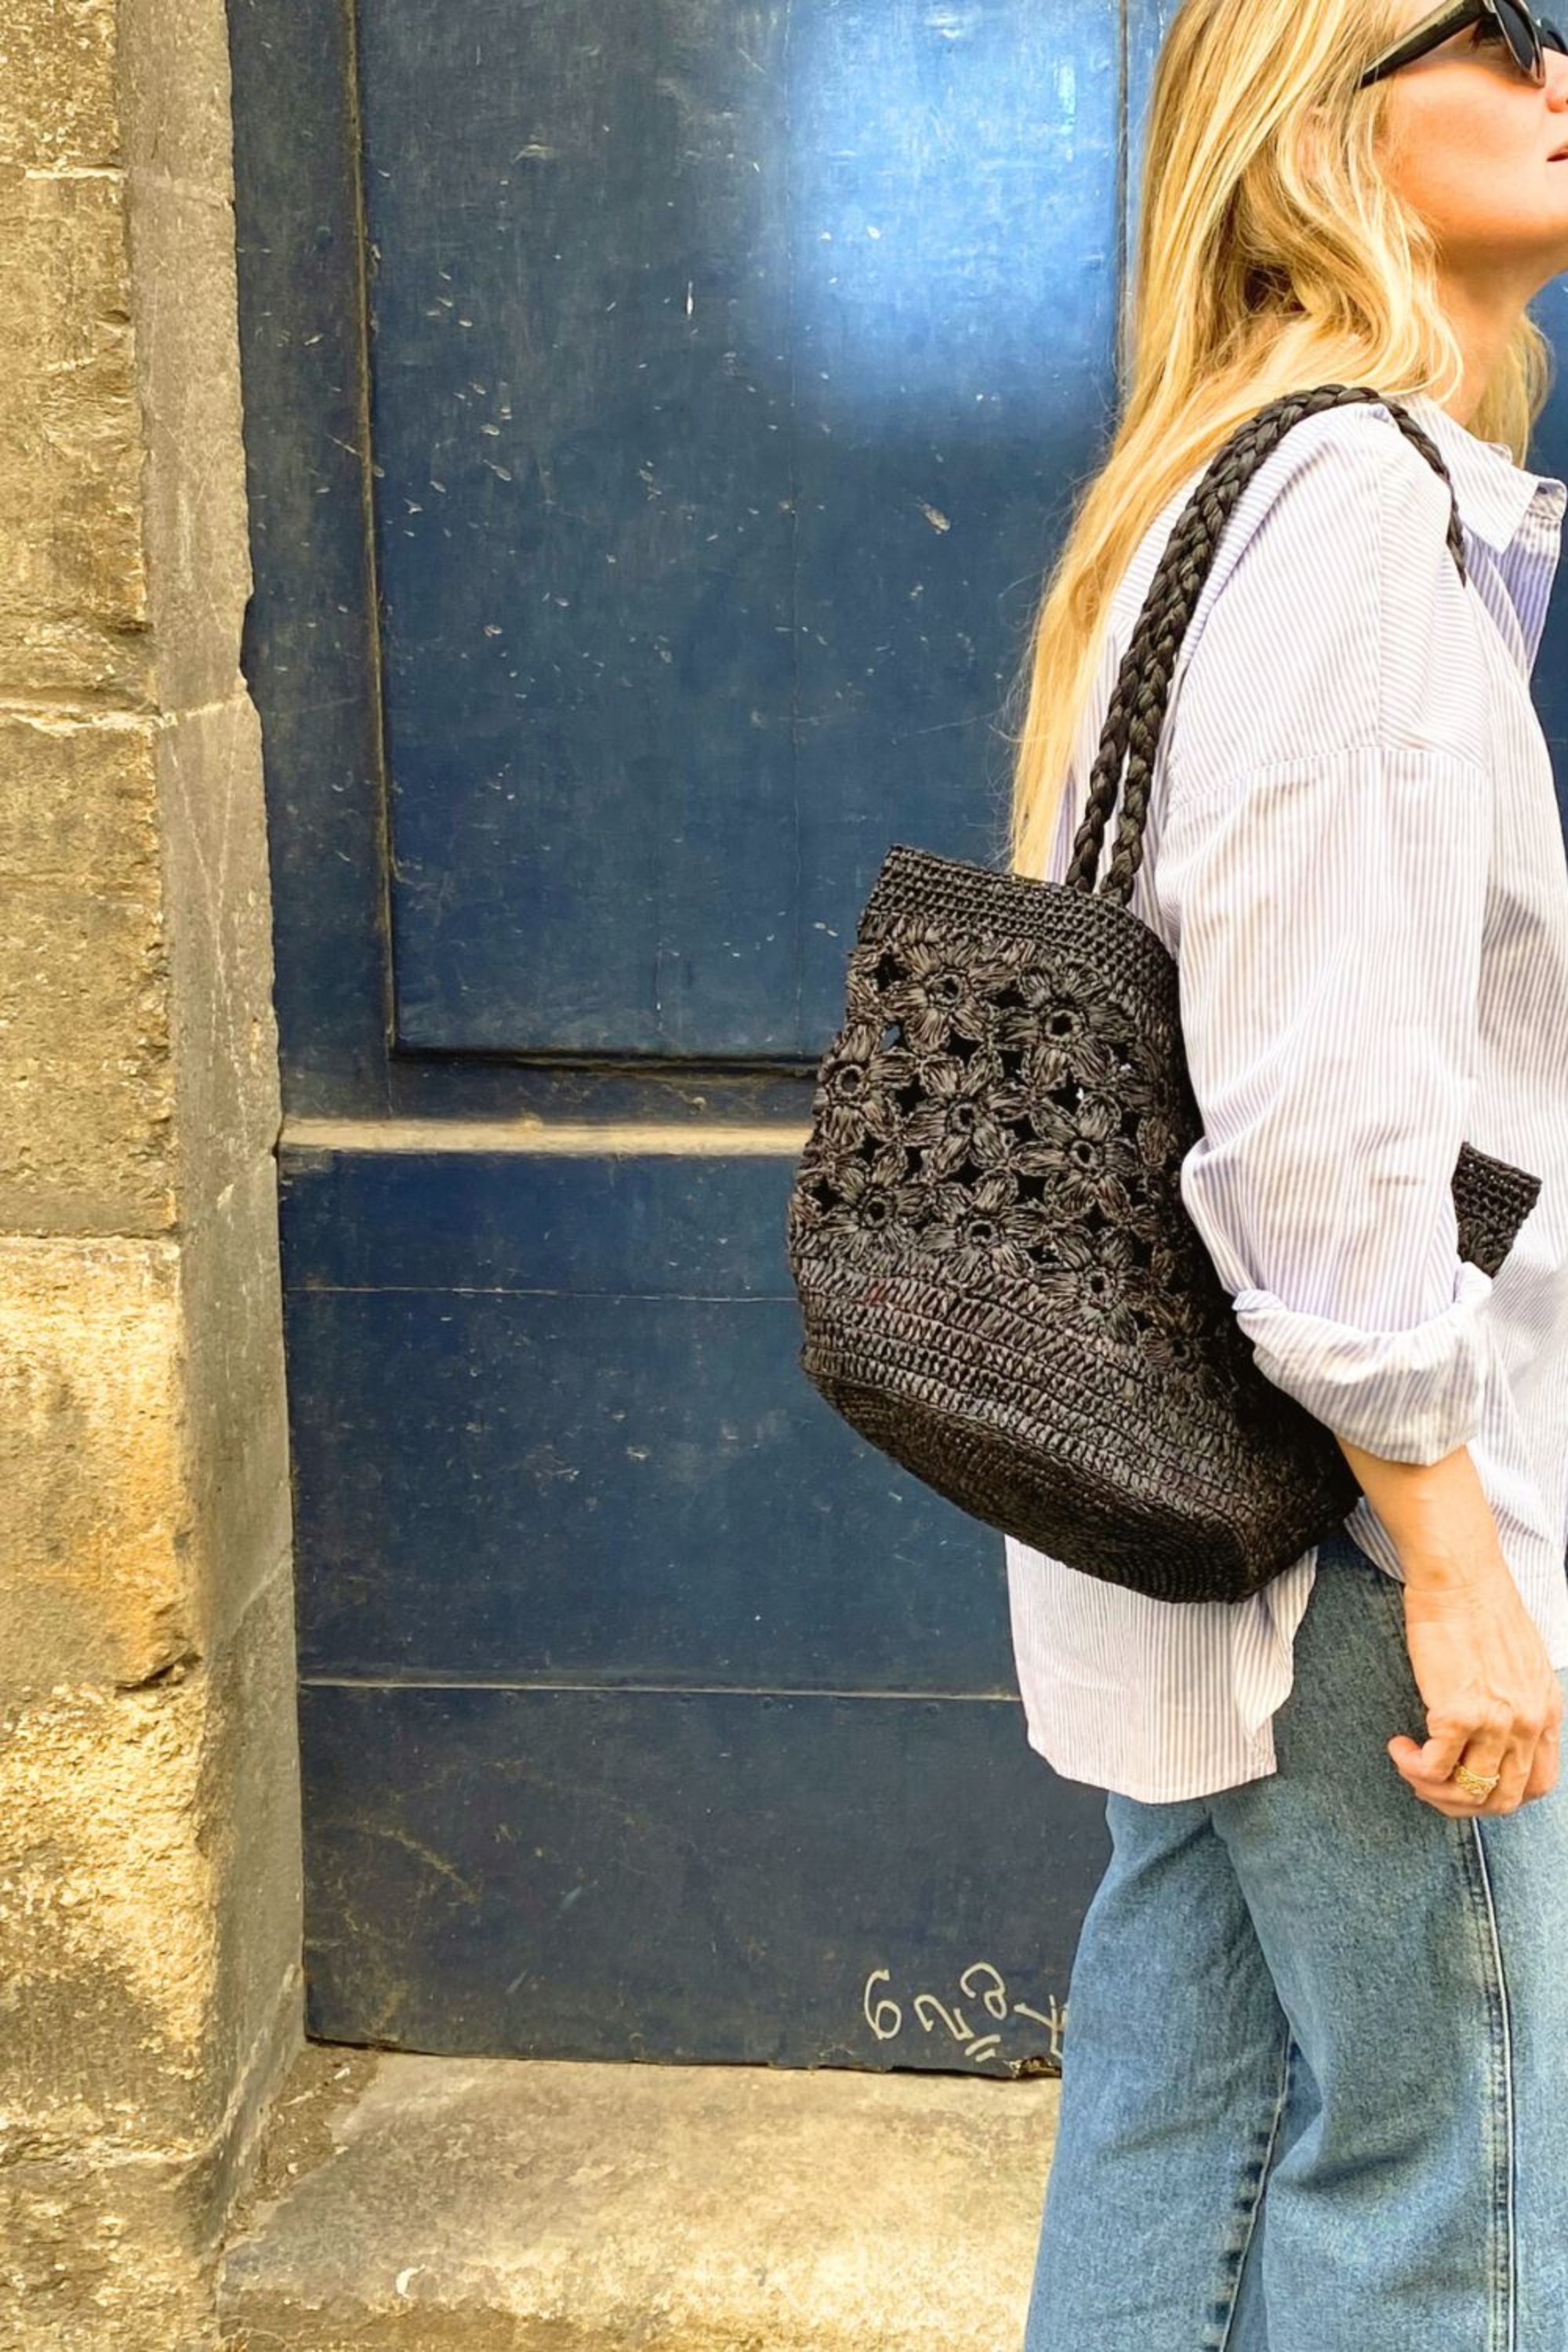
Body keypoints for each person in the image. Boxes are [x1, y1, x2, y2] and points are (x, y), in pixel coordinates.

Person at [998, 0, 1568, 2343]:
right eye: (1503, 30)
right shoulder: (1349, 507)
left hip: (1209, 1504)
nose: (1559, 70)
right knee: (1451, 2177)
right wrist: (1451, 1550)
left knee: (1190, 2105)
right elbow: (1319, 1102)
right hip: (1342, 1522)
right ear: (1330, 121)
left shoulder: (1221, 483)